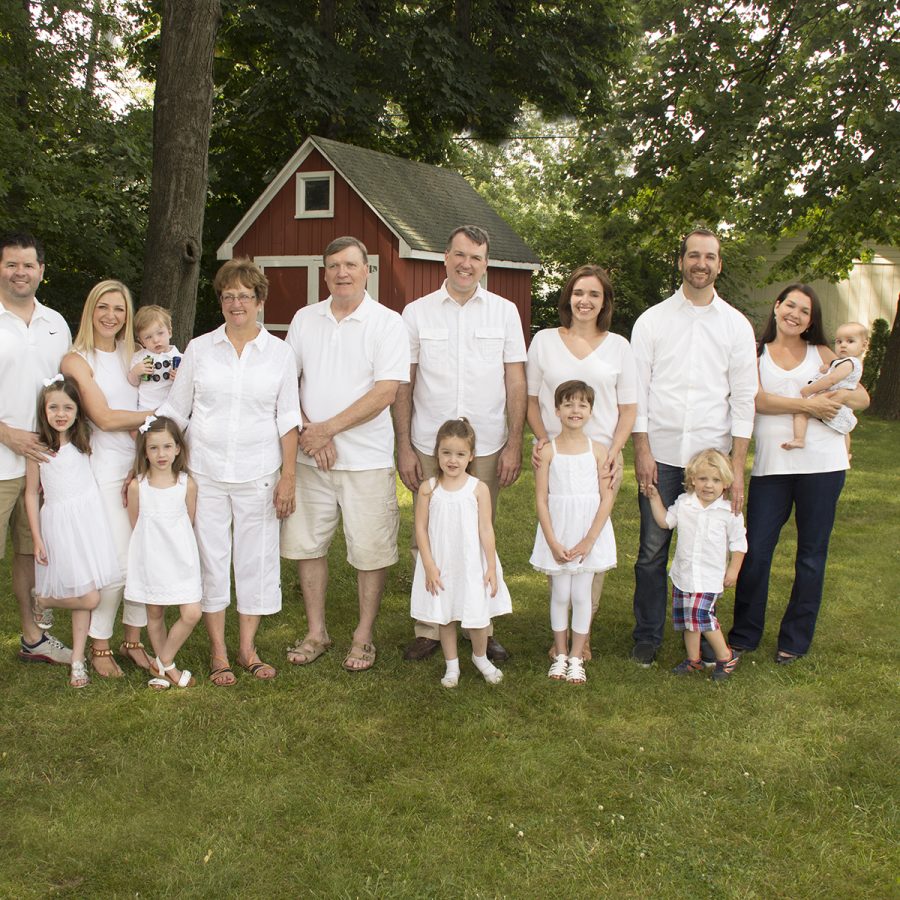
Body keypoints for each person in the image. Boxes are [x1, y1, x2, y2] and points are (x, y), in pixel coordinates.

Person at [159, 258, 301, 685]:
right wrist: (149, 455)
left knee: (256, 561)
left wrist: (288, 476)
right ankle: (219, 652)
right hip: (205, 473)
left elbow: (288, 417)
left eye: (245, 295)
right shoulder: (200, 349)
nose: (236, 303)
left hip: (260, 474)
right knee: (212, 560)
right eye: (228, 295)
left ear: (260, 299)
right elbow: (175, 410)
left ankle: (247, 649)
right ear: (220, 301)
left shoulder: (279, 353)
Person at [396, 225, 526, 663]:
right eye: (458, 255)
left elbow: (515, 379)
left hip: (487, 443)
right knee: (429, 535)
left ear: (485, 263)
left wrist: (513, 443)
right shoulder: (416, 312)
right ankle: (432, 627)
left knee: (478, 534)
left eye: (475, 257)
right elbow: (404, 383)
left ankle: (480, 625)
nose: (465, 264)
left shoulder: (505, 312)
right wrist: (404, 445)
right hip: (428, 443)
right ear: (444, 257)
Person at [630, 229, 758, 667]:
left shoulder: (736, 326)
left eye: (710, 257)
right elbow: (638, 392)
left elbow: (744, 400)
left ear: (719, 265)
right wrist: (641, 449)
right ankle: (647, 635)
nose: (701, 263)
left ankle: (703, 630)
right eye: (693, 255)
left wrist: (736, 467)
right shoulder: (652, 320)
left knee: (707, 549)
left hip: (711, 462)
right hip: (662, 453)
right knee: (652, 551)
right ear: (681, 261)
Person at [282, 236, 408, 672]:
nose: (341, 272)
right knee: (307, 545)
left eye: (350, 264)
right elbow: (287, 382)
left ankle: (363, 636)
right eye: (333, 265)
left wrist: (328, 429)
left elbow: (386, 391)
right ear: (324, 271)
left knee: (371, 550)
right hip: (309, 457)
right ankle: (317, 631)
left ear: (367, 270)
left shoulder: (388, 323)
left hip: (365, 459)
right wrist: (309, 433)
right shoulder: (304, 319)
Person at [728, 285, 869, 664]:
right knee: (755, 551)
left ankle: (795, 638)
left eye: (804, 311)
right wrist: (809, 403)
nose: (795, 314)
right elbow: (757, 400)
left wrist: (834, 399)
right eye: (790, 305)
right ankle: (744, 634)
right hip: (772, 469)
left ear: (811, 320)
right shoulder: (755, 354)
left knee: (811, 555)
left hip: (824, 466)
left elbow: (862, 396)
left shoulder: (822, 353)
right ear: (776, 307)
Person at [526, 264, 636, 659]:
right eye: (578, 293)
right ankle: (562, 631)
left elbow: (628, 408)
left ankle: (581, 637)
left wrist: (617, 451)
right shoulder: (543, 341)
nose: (584, 301)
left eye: (594, 294)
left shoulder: (619, 347)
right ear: (567, 297)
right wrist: (543, 441)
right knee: (561, 527)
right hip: (558, 455)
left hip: (599, 457)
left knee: (594, 541)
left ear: (604, 302)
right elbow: (530, 398)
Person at [62, 281, 153, 676]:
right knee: (115, 561)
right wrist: (161, 417)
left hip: (141, 467)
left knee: (144, 556)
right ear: (90, 310)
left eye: (119, 308)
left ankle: (133, 640)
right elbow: (104, 417)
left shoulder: (134, 356)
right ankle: (100, 644)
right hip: (99, 469)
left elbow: (153, 396)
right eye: (103, 307)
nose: (111, 316)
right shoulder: (76, 360)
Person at [0, 232, 73, 665]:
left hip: (42, 466)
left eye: (28, 265)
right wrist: (6, 433)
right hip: (0, 459)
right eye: (11, 264)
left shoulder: (55, 324)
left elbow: (67, 390)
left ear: (41, 271)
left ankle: (33, 638)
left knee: (31, 554)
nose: (20, 272)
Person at [24, 376, 118, 688]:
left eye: (68, 407)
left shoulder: (84, 441)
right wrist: (37, 537)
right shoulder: (38, 448)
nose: (61, 413)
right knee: (88, 598)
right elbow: (30, 494)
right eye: (53, 407)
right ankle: (45, 600)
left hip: (88, 524)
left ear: (78, 411)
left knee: (87, 590)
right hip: (59, 525)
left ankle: (78, 660)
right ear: (44, 411)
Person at [410, 418, 511, 688]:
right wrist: (429, 564)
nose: (452, 460)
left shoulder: (478, 489)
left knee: (477, 615)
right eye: (446, 453)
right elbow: (420, 528)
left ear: (471, 456)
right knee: (446, 614)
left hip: (471, 562)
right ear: (437, 453)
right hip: (441, 562)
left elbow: (486, 529)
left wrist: (490, 566)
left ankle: (480, 657)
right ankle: (451, 665)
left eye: (460, 454)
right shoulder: (428, 489)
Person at [530, 381, 616, 685]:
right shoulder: (547, 451)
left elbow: (606, 498)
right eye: (568, 404)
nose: (575, 410)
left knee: (581, 594)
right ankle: (561, 654)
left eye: (582, 405)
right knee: (560, 593)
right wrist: (552, 540)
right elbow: (542, 497)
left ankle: (578, 657)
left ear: (591, 411)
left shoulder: (599, 451)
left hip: (588, 531)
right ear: (556, 411)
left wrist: (590, 539)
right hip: (559, 529)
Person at [644, 448, 746, 682]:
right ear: (692, 479)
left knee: (702, 615)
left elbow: (739, 543)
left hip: (709, 576)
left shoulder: (729, 512)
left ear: (726, 483)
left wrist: (733, 570)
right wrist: (654, 497)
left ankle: (725, 656)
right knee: (687, 619)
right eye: (703, 479)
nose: (708, 485)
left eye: (716, 480)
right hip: (684, 573)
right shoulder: (684, 503)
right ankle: (693, 660)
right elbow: (665, 521)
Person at [125, 416, 201, 690]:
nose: (161, 454)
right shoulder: (138, 486)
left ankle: (162, 661)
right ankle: (163, 673)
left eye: (167, 447)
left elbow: (189, 521)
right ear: (144, 451)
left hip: (181, 558)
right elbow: (137, 523)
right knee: (154, 613)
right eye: (154, 448)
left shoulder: (186, 484)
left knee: (192, 612)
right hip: (151, 558)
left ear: (178, 449)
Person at [782, 321, 867, 452]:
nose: (843, 345)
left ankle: (799, 439)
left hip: (832, 399)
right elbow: (832, 373)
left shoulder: (849, 363)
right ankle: (846, 453)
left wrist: (809, 389)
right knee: (843, 428)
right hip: (835, 400)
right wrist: (826, 369)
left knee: (801, 410)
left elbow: (831, 380)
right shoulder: (842, 363)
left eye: (850, 341)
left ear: (863, 345)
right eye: (839, 341)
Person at [127, 305, 181, 412]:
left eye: (160, 333)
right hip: (145, 408)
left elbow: (187, 387)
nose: (156, 340)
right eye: (148, 337)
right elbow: (133, 382)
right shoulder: (139, 357)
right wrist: (135, 372)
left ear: (169, 332)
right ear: (142, 341)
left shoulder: (180, 358)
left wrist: (180, 378)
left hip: (171, 409)